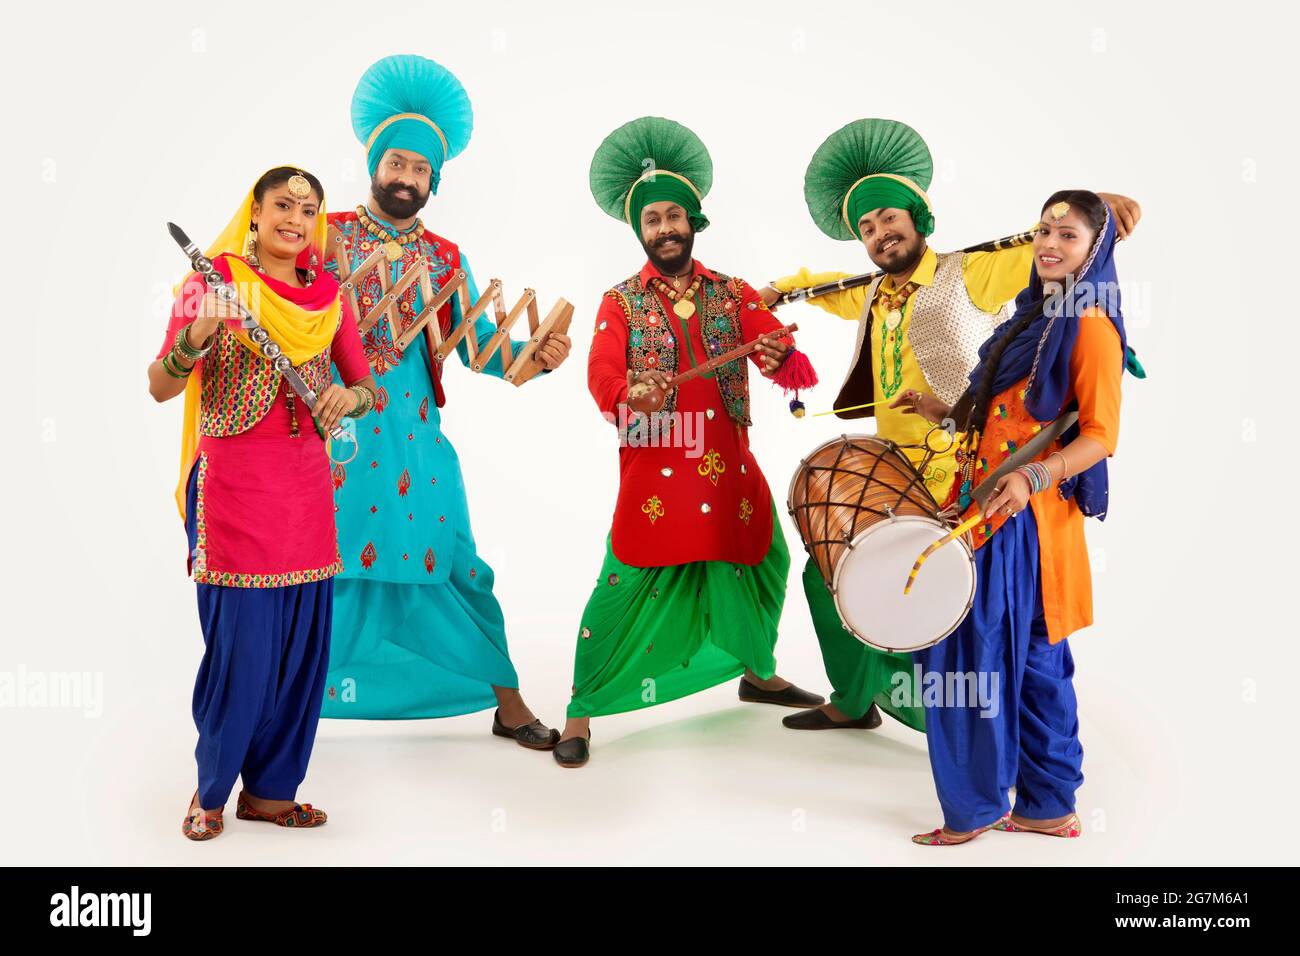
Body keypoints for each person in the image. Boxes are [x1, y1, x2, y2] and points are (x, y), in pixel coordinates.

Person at [763, 119, 1141, 735]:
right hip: (888, 462)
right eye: (866, 228)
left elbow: (1050, 248)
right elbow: (826, 291)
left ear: (918, 217)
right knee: (826, 569)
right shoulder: (872, 292)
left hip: (958, 466)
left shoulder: (971, 271)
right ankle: (855, 698)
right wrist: (780, 291)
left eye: (888, 217)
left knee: (932, 586)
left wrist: (1102, 208)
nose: (880, 234)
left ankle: (956, 722)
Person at [554, 116, 823, 768]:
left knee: (764, 561)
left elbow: (789, 368)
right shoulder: (618, 302)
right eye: (653, 221)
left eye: (674, 215)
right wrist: (626, 396)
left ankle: (756, 672)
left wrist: (776, 347)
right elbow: (602, 374)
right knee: (622, 584)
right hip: (657, 465)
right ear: (640, 231)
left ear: (693, 220)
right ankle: (580, 712)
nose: (665, 228)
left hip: (728, 464)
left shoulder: (733, 293)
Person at [321, 55, 571, 748]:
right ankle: (279, 705)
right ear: (375, 163)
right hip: (335, 440)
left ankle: (509, 707)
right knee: (322, 569)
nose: (407, 178)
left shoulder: (444, 257)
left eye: (421, 171)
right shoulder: (326, 235)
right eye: (397, 163)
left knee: (456, 566)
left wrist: (534, 361)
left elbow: (473, 342)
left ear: (435, 181)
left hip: (418, 445)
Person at [893, 189, 1144, 844]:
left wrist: (1035, 474)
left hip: (1030, 521)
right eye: (1044, 232)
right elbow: (992, 417)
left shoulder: (1090, 325)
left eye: (1068, 235)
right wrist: (938, 412)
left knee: (967, 653)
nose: (1051, 246)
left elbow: (1099, 435)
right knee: (1034, 660)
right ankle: (1047, 804)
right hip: (992, 508)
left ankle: (979, 805)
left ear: (1095, 251)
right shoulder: (1027, 321)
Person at [148, 167, 377, 840]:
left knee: (301, 648)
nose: (296, 218)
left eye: (309, 209)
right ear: (256, 212)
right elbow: (161, 385)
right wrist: (196, 335)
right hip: (234, 489)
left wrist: (348, 398)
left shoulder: (330, 295)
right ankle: (211, 790)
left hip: (307, 488)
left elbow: (367, 387)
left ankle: (274, 792)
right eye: (283, 204)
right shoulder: (213, 284)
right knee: (242, 649)